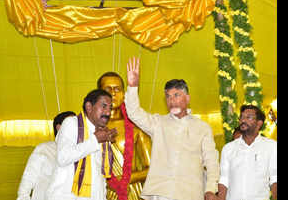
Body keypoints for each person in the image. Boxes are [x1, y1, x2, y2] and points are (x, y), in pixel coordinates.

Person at [124, 57, 220, 200]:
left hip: (191, 193)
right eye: (168, 97)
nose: (171, 101)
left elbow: (211, 161)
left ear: (187, 98)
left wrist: (211, 189)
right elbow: (134, 113)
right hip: (162, 193)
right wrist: (133, 87)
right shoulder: (158, 123)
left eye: (176, 95)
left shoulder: (202, 128)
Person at [46, 89, 118, 200]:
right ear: (89, 107)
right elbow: (63, 157)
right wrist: (95, 140)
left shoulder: (103, 133)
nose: (108, 113)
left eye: (110, 108)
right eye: (104, 106)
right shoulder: (71, 124)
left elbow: (100, 176)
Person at [97, 72, 152, 200]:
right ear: (98, 94)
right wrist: (107, 180)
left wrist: (128, 179)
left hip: (133, 192)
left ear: (124, 94)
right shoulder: (90, 127)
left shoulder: (137, 127)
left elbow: (152, 168)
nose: (113, 93)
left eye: (117, 89)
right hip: (101, 192)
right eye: (107, 89)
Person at [217, 105, 277, 200]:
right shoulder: (228, 148)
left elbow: (274, 178)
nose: (243, 120)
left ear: (259, 123)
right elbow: (224, 180)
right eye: (241, 117)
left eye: (248, 117)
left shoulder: (271, 146)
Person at [16, 111, 76, 200]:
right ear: (59, 128)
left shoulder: (79, 152)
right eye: (72, 123)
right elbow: (28, 180)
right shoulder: (44, 149)